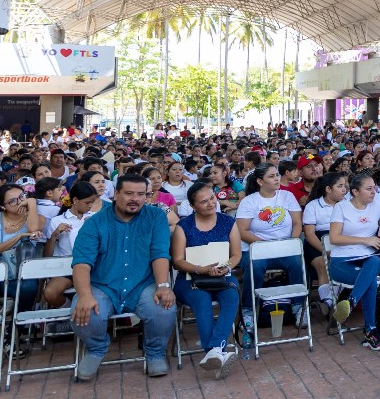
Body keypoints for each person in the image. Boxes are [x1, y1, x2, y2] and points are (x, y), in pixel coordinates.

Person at [70, 174, 176, 381]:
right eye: (129, 193)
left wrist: (163, 285)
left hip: (142, 284)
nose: (135, 199)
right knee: (84, 312)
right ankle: (96, 349)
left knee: (164, 307)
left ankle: (155, 352)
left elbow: (160, 253)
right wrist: (84, 295)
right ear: (116, 193)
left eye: (141, 194)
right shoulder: (95, 222)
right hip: (103, 285)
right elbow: (82, 262)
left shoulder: (155, 217)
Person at [170, 181, 241, 379]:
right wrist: (200, 269)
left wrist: (226, 267)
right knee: (201, 300)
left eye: (212, 198)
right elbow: (177, 260)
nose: (211, 204)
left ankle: (214, 350)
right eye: (204, 202)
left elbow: (236, 254)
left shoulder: (228, 222)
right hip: (191, 277)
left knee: (231, 297)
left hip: (221, 274)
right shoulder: (183, 226)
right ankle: (217, 351)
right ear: (192, 206)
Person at [234, 163, 306, 346]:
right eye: (271, 176)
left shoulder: (287, 196)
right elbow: (242, 230)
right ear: (260, 181)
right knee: (255, 267)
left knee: (297, 263)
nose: (277, 179)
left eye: (277, 175)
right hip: (257, 247)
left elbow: (297, 223)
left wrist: (291, 243)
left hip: (285, 246)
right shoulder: (250, 201)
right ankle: (249, 311)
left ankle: (298, 307)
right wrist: (265, 245)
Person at [328, 173, 380, 350]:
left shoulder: (377, 205)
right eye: (369, 189)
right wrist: (365, 240)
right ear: (355, 191)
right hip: (342, 261)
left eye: (374, 187)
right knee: (370, 281)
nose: (374, 192)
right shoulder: (342, 207)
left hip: (366, 260)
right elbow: (334, 238)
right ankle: (370, 332)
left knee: (374, 262)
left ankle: (350, 303)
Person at [0, 184, 42, 366]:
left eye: (22, 197)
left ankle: (12, 335)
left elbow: (33, 230)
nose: (20, 203)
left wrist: (31, 203)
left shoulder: (35, 217)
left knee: (29, 288)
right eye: (13, 201)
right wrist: (17, 238)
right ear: (2, 206)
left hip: (17, 276)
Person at [41, 181, 100, 307]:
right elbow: (47, 255)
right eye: (87, 202)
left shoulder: (96, 218)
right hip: (67, 268)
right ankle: (70, 309)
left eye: (92, 202)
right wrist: (55, 235)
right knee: (50, 293)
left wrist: (94, 227)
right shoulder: (58, 220)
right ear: (75, 200)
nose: (90, 206)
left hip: (93, 267)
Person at [301, 172, 347, 309]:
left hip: (341, 241)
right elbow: (309, 234)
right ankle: (328, 302)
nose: (344, 189)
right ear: (328, 189)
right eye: (340, 186)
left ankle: (337, 299)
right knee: (323, 265)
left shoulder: (347, 204)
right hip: (317, 243)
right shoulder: (313, 206)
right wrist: (325, 251)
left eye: (345, 186)